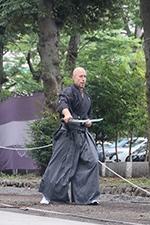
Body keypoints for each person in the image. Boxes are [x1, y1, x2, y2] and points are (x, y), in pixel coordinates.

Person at [39, 67, 100, 205]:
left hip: (83, 134)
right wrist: (67, 114)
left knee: (92, 161)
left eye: (85, 76)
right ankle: (49, 196)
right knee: (61, 164)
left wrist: (89, 122)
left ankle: (87, 197)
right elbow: (63, 104)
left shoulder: (88, 97)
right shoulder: (68, 91)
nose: (83, 79)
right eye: (80, 76)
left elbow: (88, 115)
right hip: (68, 134)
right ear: (74, 77)